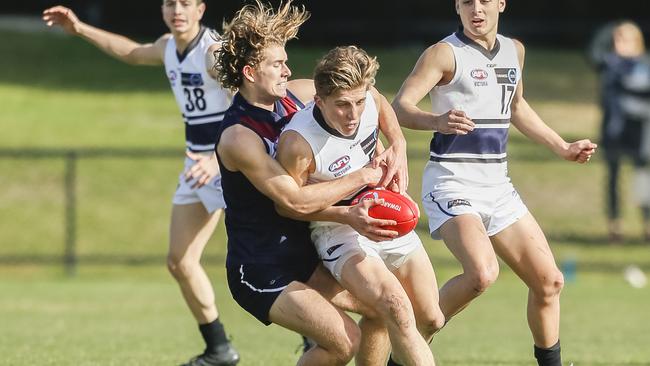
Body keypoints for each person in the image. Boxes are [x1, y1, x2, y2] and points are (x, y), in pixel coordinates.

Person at [391, 1, 597, 365]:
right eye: (467, 2)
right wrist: (436, 120)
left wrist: (562, 147)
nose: (476, 9)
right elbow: (401, 106)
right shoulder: (443, 54)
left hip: (497, 186)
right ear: (457, 7)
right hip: (452, 182)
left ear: (501, 3)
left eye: (484, 0)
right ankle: (409, 344)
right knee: (482, 274)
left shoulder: (514, 50)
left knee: (549, 281)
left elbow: (516, 107)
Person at [213, 2, 412, 365]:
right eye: (278, 64)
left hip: (304, 253)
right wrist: (360, 188)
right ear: (250, 72)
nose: (288, 70)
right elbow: (294, 202)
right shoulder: (239, 136)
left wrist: (397, 144)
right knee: (344, 342)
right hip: (262, 265)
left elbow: (373, 98)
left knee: (381, 310)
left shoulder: (299, 94)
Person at [42, 2, 239, 365]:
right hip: (196, 163)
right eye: (169, 3)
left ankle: (312, 335)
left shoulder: (214, 52)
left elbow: (253, 98)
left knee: (267, 254)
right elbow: (132, 53)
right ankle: (219, 348)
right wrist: (80, 28)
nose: (176, 9)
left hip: (231, 165)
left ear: (200, 8)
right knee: (180, 261)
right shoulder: (168, 47)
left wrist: (220, 158)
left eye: (184, 3)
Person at [277, 45, 443, 366]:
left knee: (431, 319)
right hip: (338, 232)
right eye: (340, 105)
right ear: (319, 100)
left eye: (358, 102)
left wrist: (399, 146)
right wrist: (349, 215)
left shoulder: (369, 99)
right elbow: (289, 207)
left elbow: (383, 109)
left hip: (383, 214)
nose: (352, 115)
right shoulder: (298, 143)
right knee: (395, 306)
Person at [588, 20, 650, 243]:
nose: (619, 44)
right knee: (613, 180)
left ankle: (647, 225)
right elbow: (593, 54)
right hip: (613, 130)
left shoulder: (644, 66)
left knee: (643, 180)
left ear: (638, 42)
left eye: (625, 39)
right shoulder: (609, 64)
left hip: (639, 132)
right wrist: (609, 30)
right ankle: (615, 226)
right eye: (616, 39)